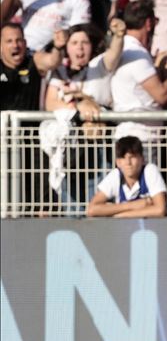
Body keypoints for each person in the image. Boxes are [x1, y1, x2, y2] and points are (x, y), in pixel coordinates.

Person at [43, 19, 126, 210]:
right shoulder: (59, 72)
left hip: (99, 144)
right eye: (74, 43)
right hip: (71, 150)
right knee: (72, 204)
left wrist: (119, 36)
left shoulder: (99, 67)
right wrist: (80, 105)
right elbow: (51, 103)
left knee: (100, 200)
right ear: (67, 48)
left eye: (85, 43)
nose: (79, 48)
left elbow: (114, 54)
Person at [110, 0, 167, 155]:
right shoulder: (137, 54)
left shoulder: (125, 49)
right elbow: (162, 95)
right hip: (140, 142)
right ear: (148, 23)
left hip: (134, 139)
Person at [87, 135, 167, 218]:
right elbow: (92, 210)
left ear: (142, 159)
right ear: (118, 162)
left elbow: (160, 210)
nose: (128, 162)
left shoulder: (150, 171)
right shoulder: (116, 175)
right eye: (123, 157)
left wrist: (121, 215)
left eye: (132, 157)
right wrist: (133, 205)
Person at [0, 22, 60, 110]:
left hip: (30, 122)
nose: (15, 45)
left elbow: (53, 61)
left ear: (25, 43)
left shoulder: (34, 62)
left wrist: (58, 47)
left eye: (19, 40)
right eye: (9, 41)